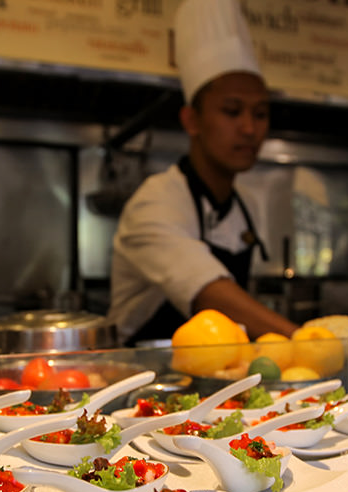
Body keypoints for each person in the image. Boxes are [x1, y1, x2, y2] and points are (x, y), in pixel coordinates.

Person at [107, 0, 298, 346]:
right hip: (144, 383)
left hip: (218, 378)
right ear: (191, 121)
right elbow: (207, 290)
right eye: (231, 111)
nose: (248, 128)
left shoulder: (244, 207)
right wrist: (306, 341)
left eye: (260, 113)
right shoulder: (155, 202)